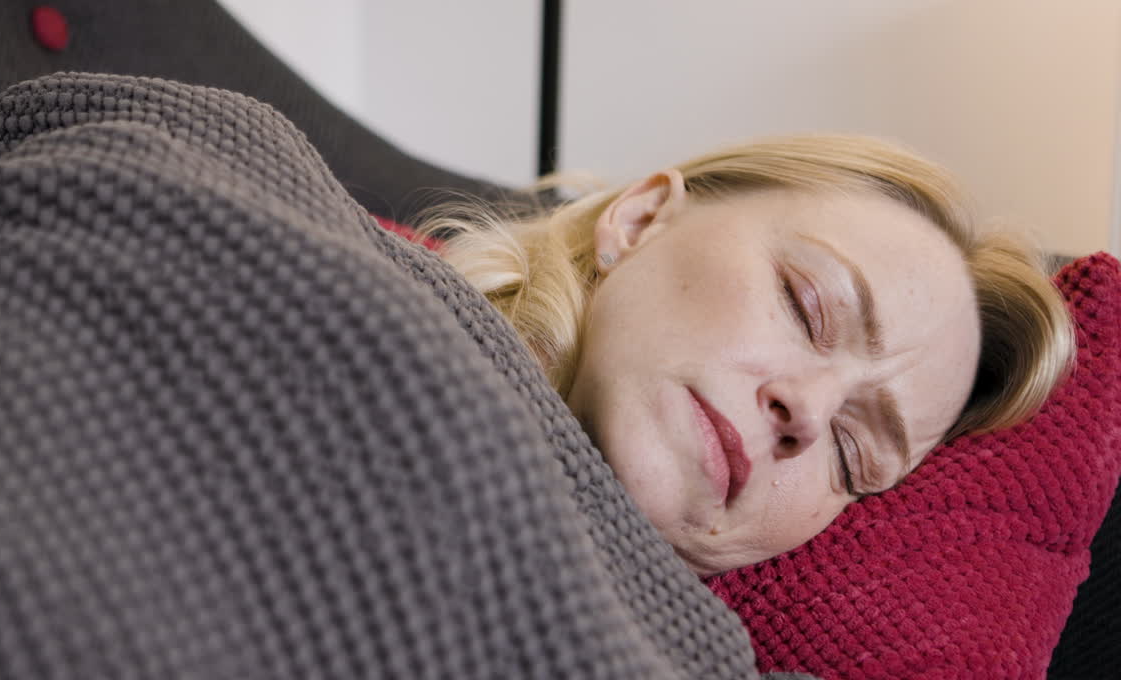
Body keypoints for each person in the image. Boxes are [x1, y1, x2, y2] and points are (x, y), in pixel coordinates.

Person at [420, 134, 1076, 576]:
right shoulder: (342, 291)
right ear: (642, 220)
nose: (811, 413)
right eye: (806, 305)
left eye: (851, 454)